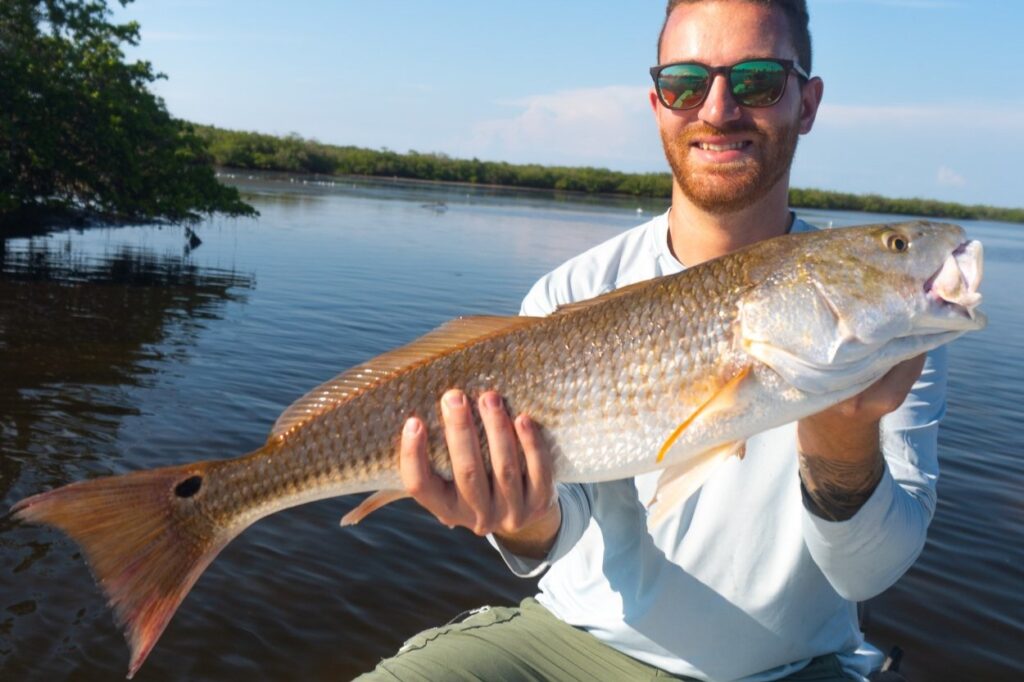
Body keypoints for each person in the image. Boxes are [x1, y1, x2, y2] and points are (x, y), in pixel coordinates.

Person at [359, 1, 939, 680]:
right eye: (685, 83)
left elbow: (868, 571)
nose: (717, 109)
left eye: (757, 81)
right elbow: (555, 531)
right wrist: (519, 517)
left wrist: (843, 439)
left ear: (806, 104)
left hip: (793, 666)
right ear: (657, 103)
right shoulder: (568, 292)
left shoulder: (886, 312)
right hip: (568, 645)